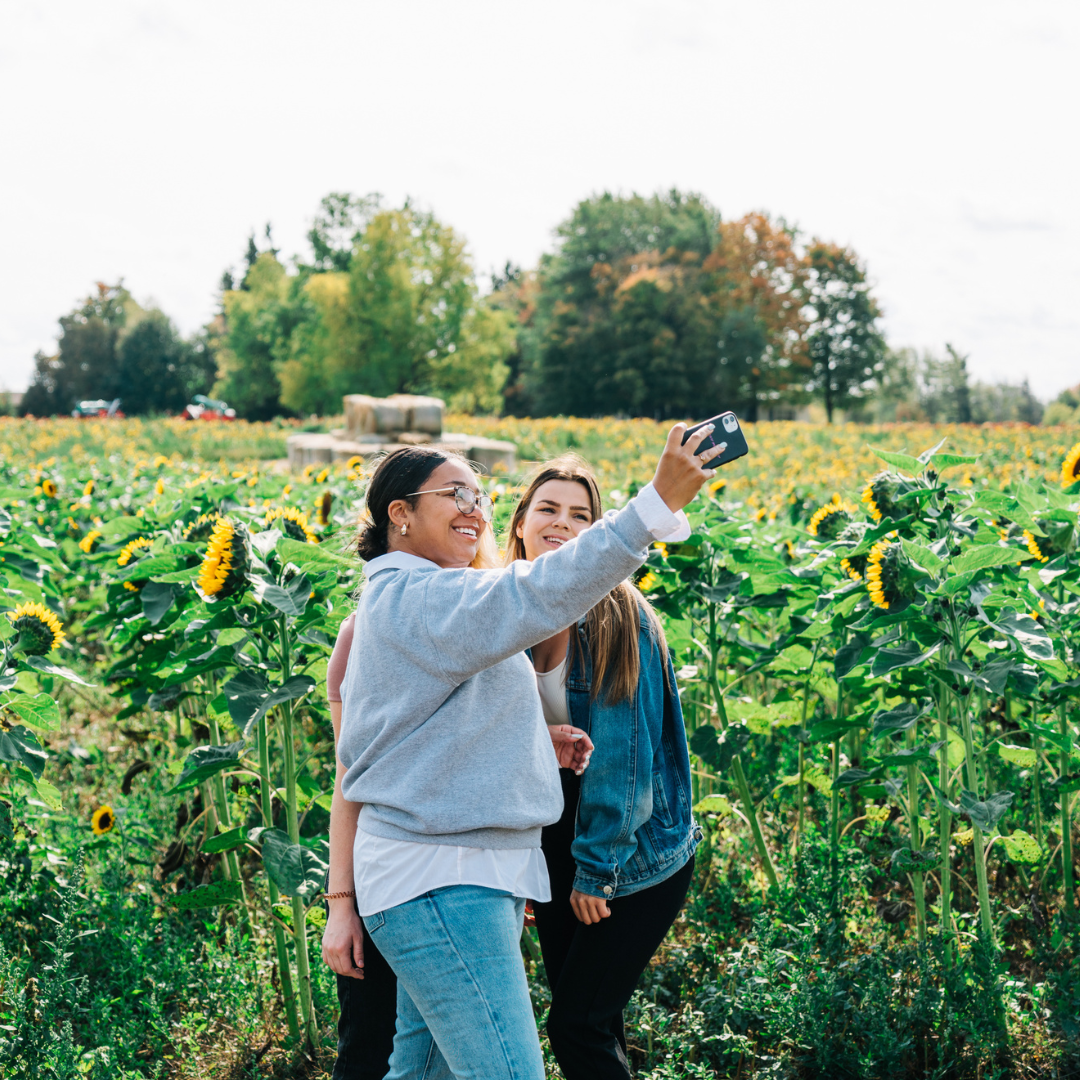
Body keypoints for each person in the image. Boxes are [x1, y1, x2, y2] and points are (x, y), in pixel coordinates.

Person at [322, 423, 721, 1080]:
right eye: (455, 493)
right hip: (444, 883)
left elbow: (427, 735)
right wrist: (654, 504)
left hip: (452, 877)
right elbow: (537, 591)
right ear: (401, 513)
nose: (474, 509)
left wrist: (538, 743)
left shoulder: (415, 599)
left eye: (479, 494)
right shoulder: (425, 599)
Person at [506, 455, 700, 1080]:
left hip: (632, 847)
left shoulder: (618, 616)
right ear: (519, 524)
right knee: (590, 1014)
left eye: (581, 515)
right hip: (557, 835)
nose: (562, 523)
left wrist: (598, 872)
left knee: (576, 1024)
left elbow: (624, 762)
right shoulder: (499, 605)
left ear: (598, 533)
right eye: (548, 509)